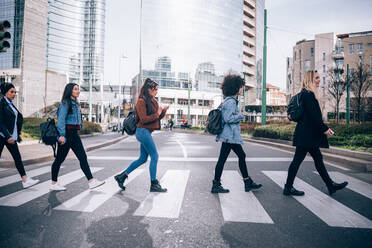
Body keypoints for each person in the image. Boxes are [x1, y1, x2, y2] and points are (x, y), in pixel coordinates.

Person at [284, 70, 348, 196]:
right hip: (307, 135)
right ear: (310, 80)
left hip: (306, 135)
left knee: (316, 159)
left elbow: (310, 116)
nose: (319, 80)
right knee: (298, 161)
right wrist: (325, 129)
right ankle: (288, 187)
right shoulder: (308, 95)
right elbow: (315, 117)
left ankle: (330, 185)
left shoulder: (304, 94)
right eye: (316, 78)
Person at [114, 78, 169, 192]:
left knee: (143, 159)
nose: (156, 92)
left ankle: (122, 176)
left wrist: (163, 111)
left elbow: (156, 118)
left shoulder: (153, 101)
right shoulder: (141, 102)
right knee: (155, 156)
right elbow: (144, 119)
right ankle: (154, 184)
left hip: (146, 132)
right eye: (155, 90)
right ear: (149, 89)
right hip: (142, 131)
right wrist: (158, 113)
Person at [212, 74, 262, 193]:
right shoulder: (230, 102)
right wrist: (240, 115)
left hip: (230, 136)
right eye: (240, 86)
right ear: (235, 88)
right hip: (230, 137)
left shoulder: (230, 101)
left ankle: (245, 181)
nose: (242, 89)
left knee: (229, 158)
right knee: (234, 157)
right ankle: (243, 182)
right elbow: (228, 118)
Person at [50, 83, 105, 191]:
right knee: (59, 159)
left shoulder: (76, 103)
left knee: (82, 157)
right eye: (75, 89)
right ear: (70, 90)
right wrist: (61, 135)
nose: (78, 91)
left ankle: (91, 181)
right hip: (66, 134)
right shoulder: (66, 103)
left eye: (78, 89)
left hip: (74, 134)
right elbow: (61, 120)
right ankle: (53, 183)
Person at [0, 83, 40, 188]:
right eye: (11, 92)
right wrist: (8, 136)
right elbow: (0, 123)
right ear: (5, 92)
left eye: (15, 92)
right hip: (2, 136)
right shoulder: (1, 103)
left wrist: (16, 135)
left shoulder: (10, 104)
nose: (14, 94)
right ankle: (25, 180)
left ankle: (25, 180)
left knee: (17, 158)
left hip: (11, 138)